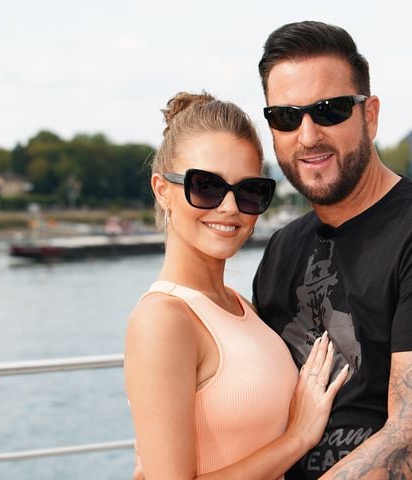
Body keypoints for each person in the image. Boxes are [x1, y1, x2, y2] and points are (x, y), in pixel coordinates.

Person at [251, 21, 412, 479]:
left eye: (330, 111)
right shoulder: (282, 250)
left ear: (370, 115)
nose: (308, 135)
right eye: (286, 117)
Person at [124, 91, 349, 480]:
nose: (229, 207)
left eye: (249, 191)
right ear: (162, 190)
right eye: (206, 186)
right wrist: (297, 438)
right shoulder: (162, 320)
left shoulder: (243, 308)